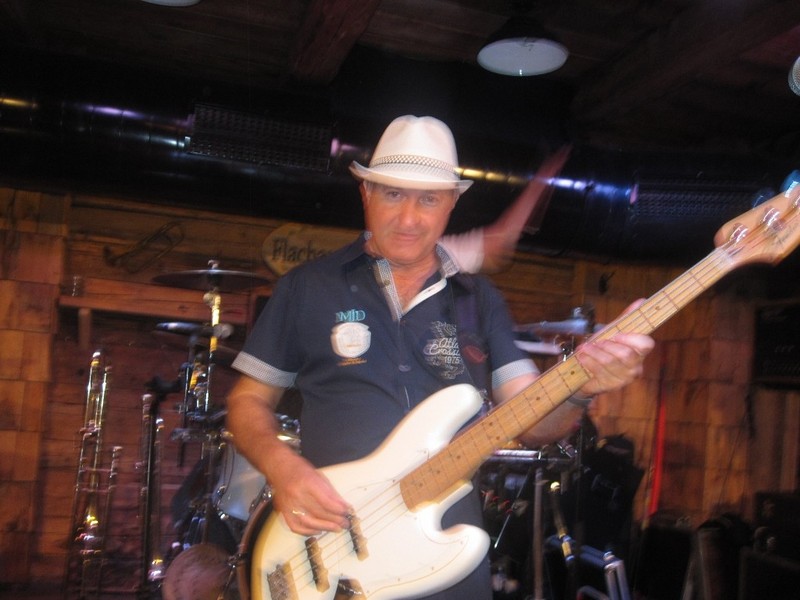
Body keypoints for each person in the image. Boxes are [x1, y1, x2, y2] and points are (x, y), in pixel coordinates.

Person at [226, 115, 654, 599]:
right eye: (393, 194)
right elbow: (247, 401)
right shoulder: (307, 288)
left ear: (452, 203)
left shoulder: (481, 299)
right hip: (329, 543)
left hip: (446, 553)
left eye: (429, 199)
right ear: (366, 193)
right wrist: (282, 468)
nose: (409, 218)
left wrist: (579, 389)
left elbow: (533, 419)